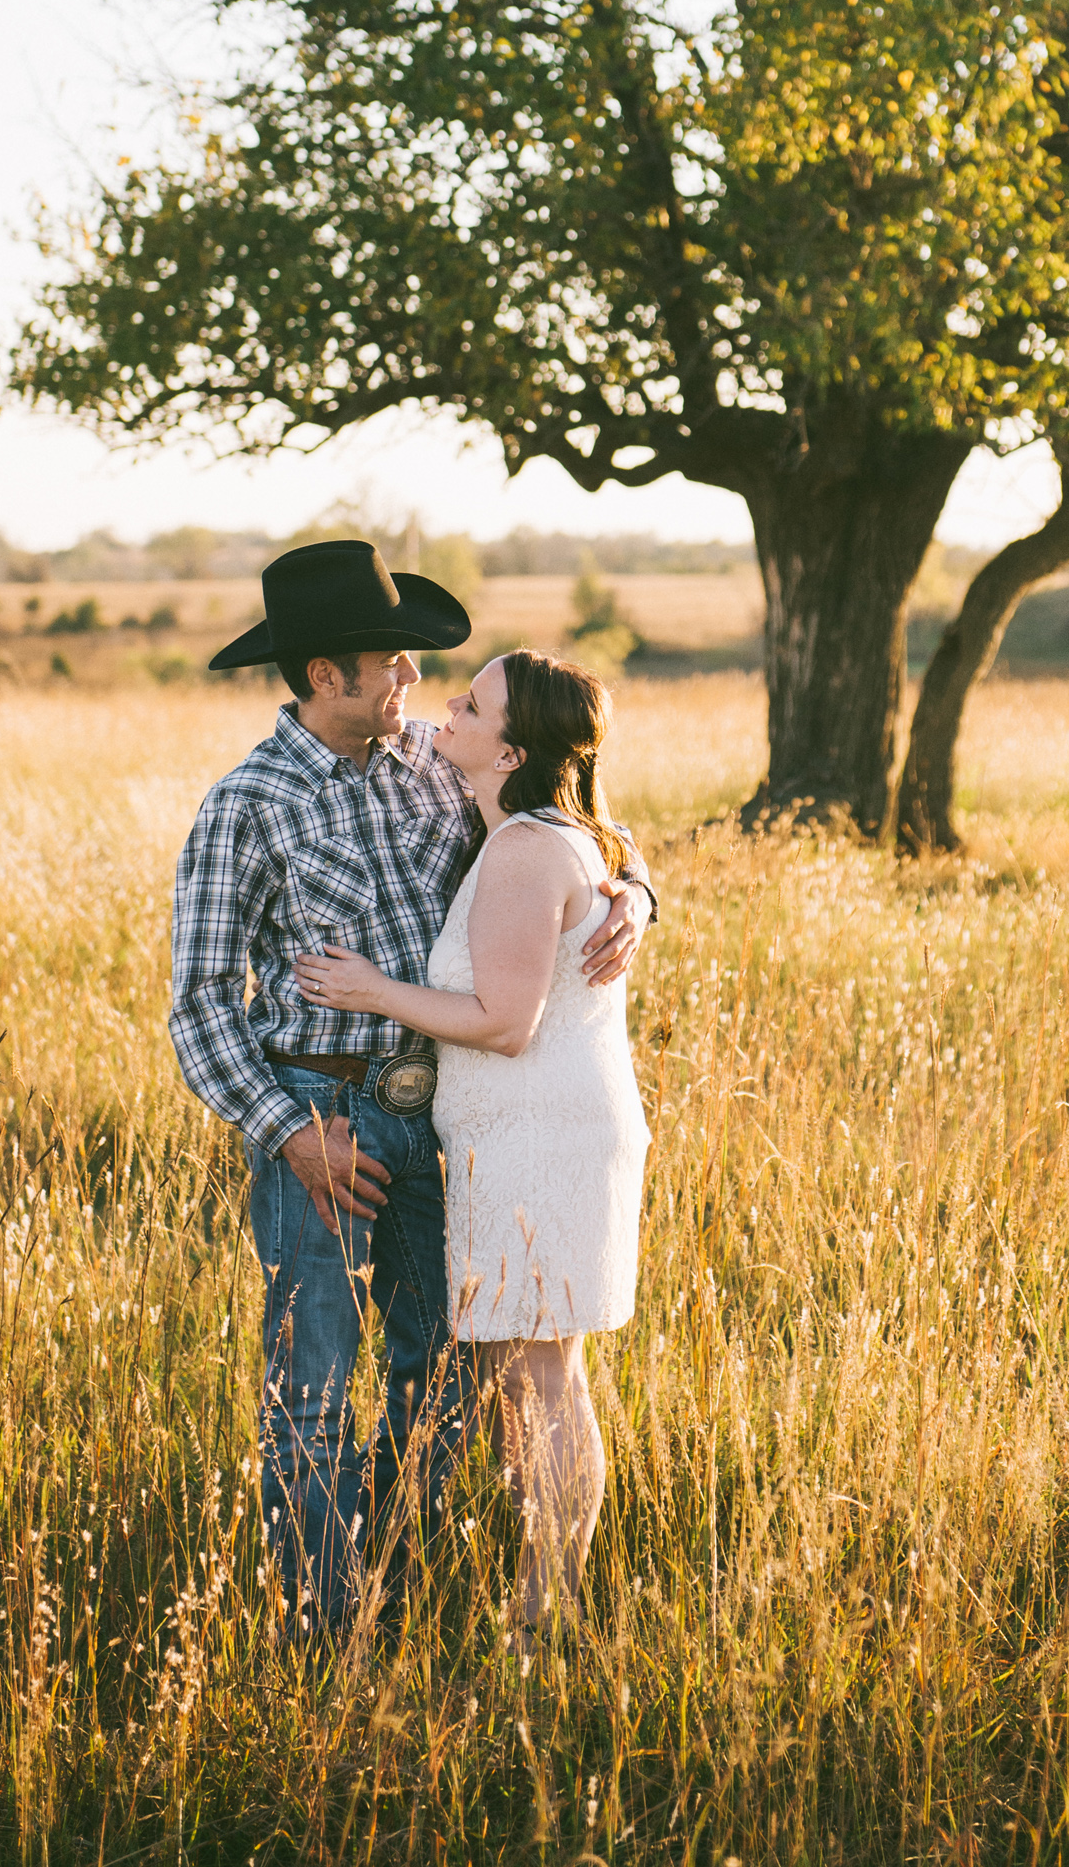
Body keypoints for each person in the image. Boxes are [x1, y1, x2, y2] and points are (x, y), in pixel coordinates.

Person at [170, 541, 653, 1640]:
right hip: (322, 1115)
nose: (412, 681)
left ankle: (404, 1574)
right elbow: (200, 1003)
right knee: (315, 1381)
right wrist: (291, 1131)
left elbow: (556, 819)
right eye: (389, 662)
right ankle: (325, 1625)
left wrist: (633, 887)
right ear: (323, 673)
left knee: (442, 1372)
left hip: (441, 1117)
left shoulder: (434, 763)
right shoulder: (248, 803)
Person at [295, 650, 649, 1642]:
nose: (444, 707)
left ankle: (549, 1608)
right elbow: (609, 844)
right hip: (522, 1133)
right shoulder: (530, 828)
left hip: (545, 1134)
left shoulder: (527, 847)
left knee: (540, 1372)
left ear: (510, 747)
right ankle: (540, 1592)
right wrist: (633, 888)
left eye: (471, 702)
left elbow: (503, 1020)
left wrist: (369, 988)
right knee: (517, 1369)